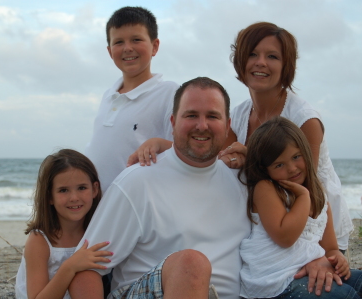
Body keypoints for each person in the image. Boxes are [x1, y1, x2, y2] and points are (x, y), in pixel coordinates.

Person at [69, 77, 249, 299]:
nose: (202, 125)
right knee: (191, 265)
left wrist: (306, 258)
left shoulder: (243, 183)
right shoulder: (138, 181)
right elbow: (85, 268)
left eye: (212, 116)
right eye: (191, 115)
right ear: (172, 123)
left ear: (227, 125)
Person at [217, 21, 353, 252]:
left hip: (315, 231)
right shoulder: (239, 115)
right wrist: (162, 145)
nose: (261, 62)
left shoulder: (304, 119)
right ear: (241, 61)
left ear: (285, 65)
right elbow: (217, 157)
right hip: (266, 229)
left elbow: (302, 182)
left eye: (272, 56)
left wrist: (250, 159)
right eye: (252, 54)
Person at [239, 116, 362, 299]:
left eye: (296, 157)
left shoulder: (319, 196)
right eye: (279, 164)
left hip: (308, 269)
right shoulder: (266, 188)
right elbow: (285, 237)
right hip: (275, 281)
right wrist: (303, 198)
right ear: (265, 169)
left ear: (306, 152)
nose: (291, 168)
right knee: (347, 296)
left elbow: (330, 247)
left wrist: (336, 259)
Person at [85, 6, 179, 194]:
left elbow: (185, 152)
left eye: (136, 39)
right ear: (110, 51)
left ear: (155, 46)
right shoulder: (108, 95)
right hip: (99, 206)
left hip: (137, 204)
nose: (128, 48)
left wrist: (159, 143)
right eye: (118, 42)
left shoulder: (170, 93)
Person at [15, 149, 112, 299]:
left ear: (94, 189)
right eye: (63, 190)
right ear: (49, 197)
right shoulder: (40, 240)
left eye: (81, 188)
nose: (74, 197)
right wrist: (70, 267)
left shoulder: (96, 233)